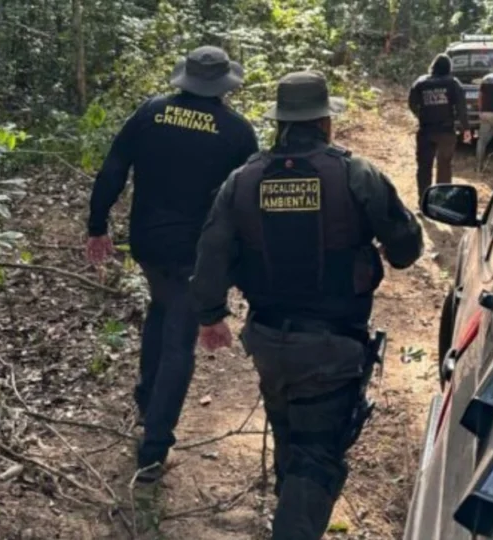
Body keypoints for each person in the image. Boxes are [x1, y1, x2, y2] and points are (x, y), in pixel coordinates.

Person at [190, 70, 423, 539]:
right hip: (332, 346)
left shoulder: (243, 180)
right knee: (316, 456)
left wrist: (211, 315)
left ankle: (289, 513)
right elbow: (406, 249)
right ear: (324, 122)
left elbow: (211, 252)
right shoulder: (357, 174)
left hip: (270, 340)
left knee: (291, 436)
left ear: (281, 122)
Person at [84, 45, 259, 484]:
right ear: (224, 86)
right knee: (180, 335)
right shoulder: (237, 131)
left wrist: (97, 224)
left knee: (161, 309)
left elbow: (113, 168)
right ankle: (154, 448)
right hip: (196, 251)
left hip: (147, 243)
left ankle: (147, 400)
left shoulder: (150, 112)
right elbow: (247, 203)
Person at [408, 53, 470, 206]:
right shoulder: (453, 83)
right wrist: (465, 128)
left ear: (433, 66)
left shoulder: (421, 82)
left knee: (424, 167)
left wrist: (421, 115)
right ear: (449, 67)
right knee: (444, 167)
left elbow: (411, 103)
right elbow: (461, 108)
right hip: (446, 131)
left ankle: (423, 202)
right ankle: (441, 203)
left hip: (425, 130)